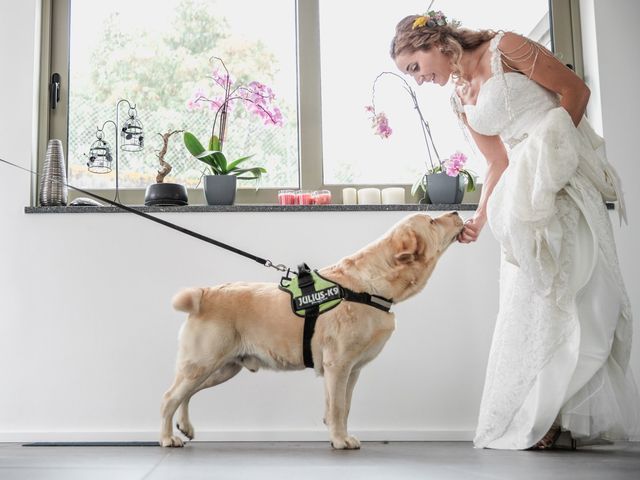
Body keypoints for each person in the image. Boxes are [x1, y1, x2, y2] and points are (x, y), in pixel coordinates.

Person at [390, 10, 639, 450]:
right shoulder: (458, 97)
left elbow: (575, 92)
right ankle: (542, 417)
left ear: (433, 43)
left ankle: (561, 416)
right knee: (532, 301)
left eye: (415, 67)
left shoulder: (507, 47)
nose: (418, 79)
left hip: (561, 179)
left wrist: (552, 157)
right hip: (520, 200)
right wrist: (480, 220)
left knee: (580, 295)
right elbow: (496, 163)